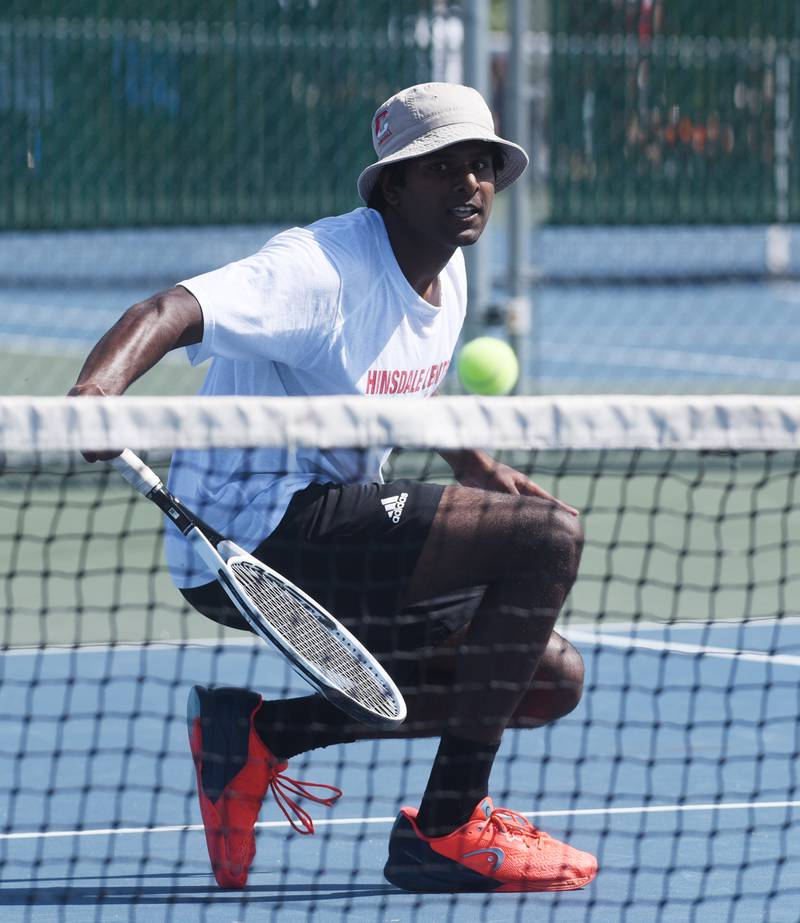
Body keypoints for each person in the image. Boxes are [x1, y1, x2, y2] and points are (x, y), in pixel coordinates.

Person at [69, 82, 598, 893]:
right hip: (248, 527)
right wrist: (97, 396)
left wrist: (474, 464)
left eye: (484, 165)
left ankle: (260, 736)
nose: (471, 185)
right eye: (445, 167)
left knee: (547, 679)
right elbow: (171, 307)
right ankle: (450, 827)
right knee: (547, 538)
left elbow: (392, 381)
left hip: (335, 532)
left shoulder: (447, 276)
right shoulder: (318, 269)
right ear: (392, 185)